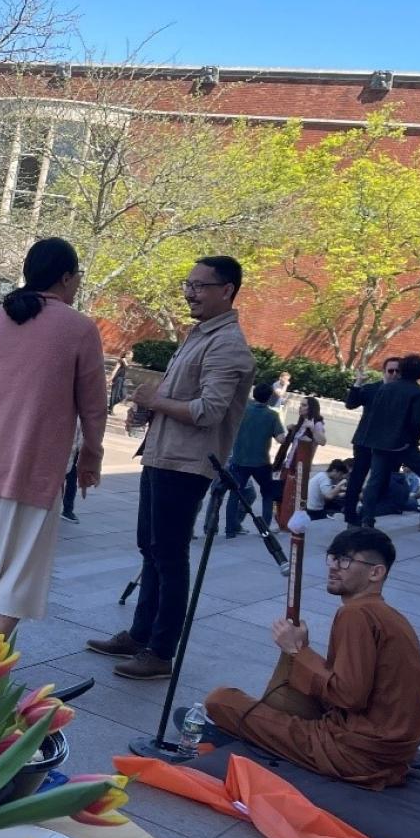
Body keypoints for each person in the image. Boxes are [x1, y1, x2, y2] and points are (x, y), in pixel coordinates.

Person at [0, 237, 108, 649]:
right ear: (66, 277)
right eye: (77, 275)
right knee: (21, 568)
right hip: (35, 466)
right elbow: (93, 407)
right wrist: (91, 458)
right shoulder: (80, 328)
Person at [87, 254, 253, 681]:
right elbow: (180, 398)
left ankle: (160, 651)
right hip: (164, 455)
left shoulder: (227, 344)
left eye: (199, 286)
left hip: (188, 464)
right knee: (151, 548)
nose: (189, 293)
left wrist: (156, 402)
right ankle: (141, 634)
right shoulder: (200, 335)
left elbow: (210, 410)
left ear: (228, 290)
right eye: (188, 284)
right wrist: (150, 413)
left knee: (170, 556)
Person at [203, 527, 420, 790]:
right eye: (332, 558)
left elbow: (349, 696)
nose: (334, 567)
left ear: (376, 572)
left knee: (220, 700)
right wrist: (300, 650)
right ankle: (270, 724)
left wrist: (299, 651)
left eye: (346, 561)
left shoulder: (356, 614)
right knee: (292, 665)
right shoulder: (386, 614)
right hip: (388, 750)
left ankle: (264, 729)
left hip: (359, 755)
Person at [356, 353, 420, 530]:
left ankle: (367, 519)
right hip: (403, 443)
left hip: (380, 442)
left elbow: (375, 414)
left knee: (375, 481)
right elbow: (417, 421)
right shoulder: (417, 392)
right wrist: (413, 440)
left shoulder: (386, 388)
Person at [339, 356, 400, 524]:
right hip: (364, 441)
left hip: (386, 444)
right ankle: (350, 514)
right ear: (384, 372)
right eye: (390, 371)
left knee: (381, 479)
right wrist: (358, 383)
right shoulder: (372, 389)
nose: (394, 374)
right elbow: (351, 404)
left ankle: (368, 513)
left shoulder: (402, 394)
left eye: (397, 371)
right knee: (358, 476)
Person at [224, 383, 284, 539]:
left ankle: (230, 529)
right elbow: (280, 438)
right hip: (261, 461)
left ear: (254, 394)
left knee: (235, 493)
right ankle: (264, 529)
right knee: (267, 494)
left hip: (239, 459)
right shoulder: (272, 416)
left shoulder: (243, 411)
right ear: (270, 397)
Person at [274, 396, 327, 530]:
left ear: (311, 408)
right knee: (280, 495)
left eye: (304, 405)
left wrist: (313, 428)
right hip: (289, 464)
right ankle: (281, 522)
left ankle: (287, 524)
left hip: (300, 467)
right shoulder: (301, 422)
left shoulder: (317, 423)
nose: (300, 407)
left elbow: (322, 441)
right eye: (300, 404)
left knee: (291, 497)